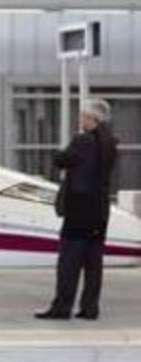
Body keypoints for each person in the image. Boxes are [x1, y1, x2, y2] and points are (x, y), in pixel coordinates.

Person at [36, 98, 118, 321]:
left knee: (69, 261)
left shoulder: (83, 141)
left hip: (79, 209)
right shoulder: (110, 141)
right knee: (93, 262)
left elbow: (61, 160)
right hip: (100, 209)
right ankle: (90, 308)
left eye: (83, 115)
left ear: (93, 118)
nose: (80, 119)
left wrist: (62, 152)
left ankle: (62, 307)